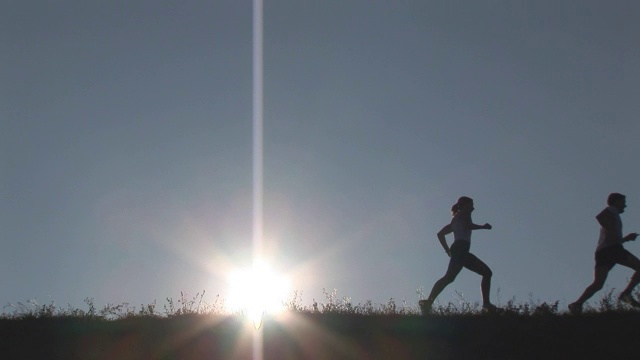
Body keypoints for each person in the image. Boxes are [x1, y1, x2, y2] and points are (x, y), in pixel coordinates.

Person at [419, 196, 498, 314]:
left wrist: (448, 250)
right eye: (471, 205)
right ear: (465, 205)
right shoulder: (465, 215)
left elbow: (440, 234)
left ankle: (428, 303)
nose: (473, 208)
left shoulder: (455, 219)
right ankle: (486, 305)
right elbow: (467, 226)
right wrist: (483, 227)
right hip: (461, 249)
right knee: (484, 273)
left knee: (450, 277)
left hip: (459, 250)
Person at [568, 193, 640, 314]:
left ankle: (577, 304)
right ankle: (626, 294)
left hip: (603, 252)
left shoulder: (614, 215)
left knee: (598, 284)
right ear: (616, 201)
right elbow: (600, 217)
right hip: (613, 250)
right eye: (623, 202)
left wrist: (626, 238)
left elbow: (612, 238)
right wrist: (612, 231)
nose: (625, 206)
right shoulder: (611, 210)